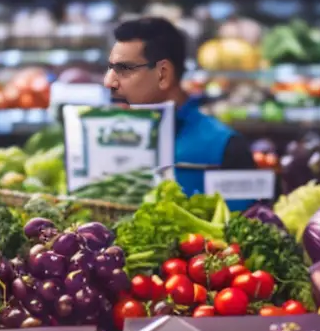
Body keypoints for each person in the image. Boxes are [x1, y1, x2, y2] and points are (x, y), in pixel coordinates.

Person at [103, 17, 258, 211]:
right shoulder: (108, 140)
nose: (109, 82)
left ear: (163, 74)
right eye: (110, 68)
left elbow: (241, 230)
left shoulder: (225, 147)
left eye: (124, 69)